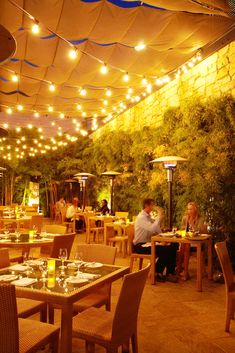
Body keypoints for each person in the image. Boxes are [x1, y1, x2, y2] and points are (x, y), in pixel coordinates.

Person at [134, 198, 178, 282]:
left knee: (173, 245)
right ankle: (157, 272)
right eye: (152, 205)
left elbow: (156, 228)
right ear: (147, 205)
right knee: (165, 249)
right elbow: (152, 229)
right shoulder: (141, 218)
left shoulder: (148, 217)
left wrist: (163, 236)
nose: (153, 207)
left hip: (148, 243)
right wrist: (159, 216)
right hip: (140, 245)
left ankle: (170, 273)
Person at [177, 201, 207, 280]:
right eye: (188, 209)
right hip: (188, 240)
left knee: (185, 246)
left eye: (191, 209)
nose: (189, 211)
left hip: (197, 242)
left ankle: (182, 270)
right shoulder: (185, 218)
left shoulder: (200, 218)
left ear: (195, 210)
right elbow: (182, 228)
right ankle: (184, 271)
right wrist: (185, 228)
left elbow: (201, 230)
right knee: (184, 245)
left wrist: (193, 227)